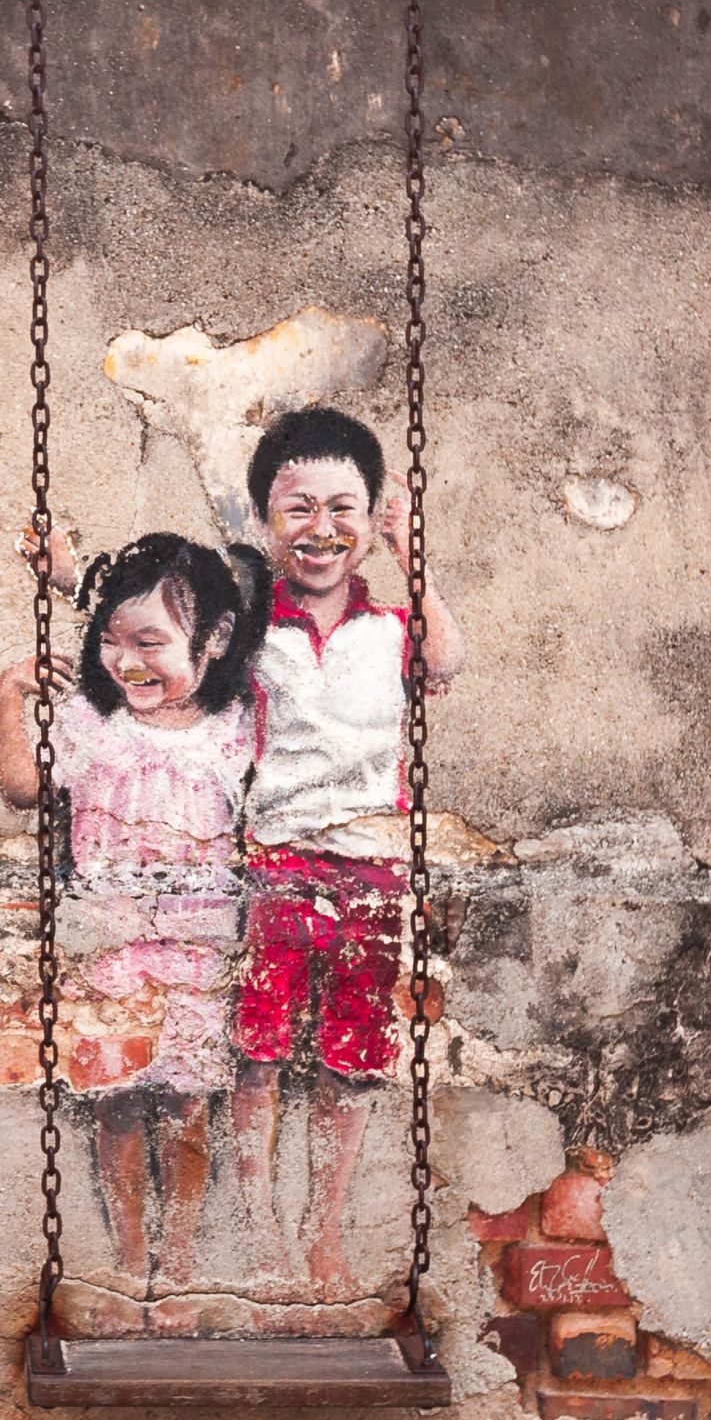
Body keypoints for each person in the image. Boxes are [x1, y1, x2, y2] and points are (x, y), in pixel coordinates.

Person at [0, 530, 269, 1306]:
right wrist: (10, 693)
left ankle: (177, 1258)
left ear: (211, 642)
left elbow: (261, 619)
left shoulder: (234, 727)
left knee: (184, 1106)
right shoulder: (90, 721)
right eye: (111, 641)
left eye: (150, 641)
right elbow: (20, 785)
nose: (128, 660)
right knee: (114, 1104)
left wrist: (80, 576)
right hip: (109, 944)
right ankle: (129, 1252)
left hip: (198, 946)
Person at [224, 405, 465, 1293]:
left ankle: (323, 1228)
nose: (320, 529)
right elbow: (153, 634)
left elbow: (447, 661)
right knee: (260, 1050)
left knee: (352, 1058)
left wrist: (413, 555)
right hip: (275, 863)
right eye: (298, 508)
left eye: (343, 509)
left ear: (371, 520)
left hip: (372, 867)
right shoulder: (249, 634)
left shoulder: (393, 631)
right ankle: (258, 1230)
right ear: (263, 521)